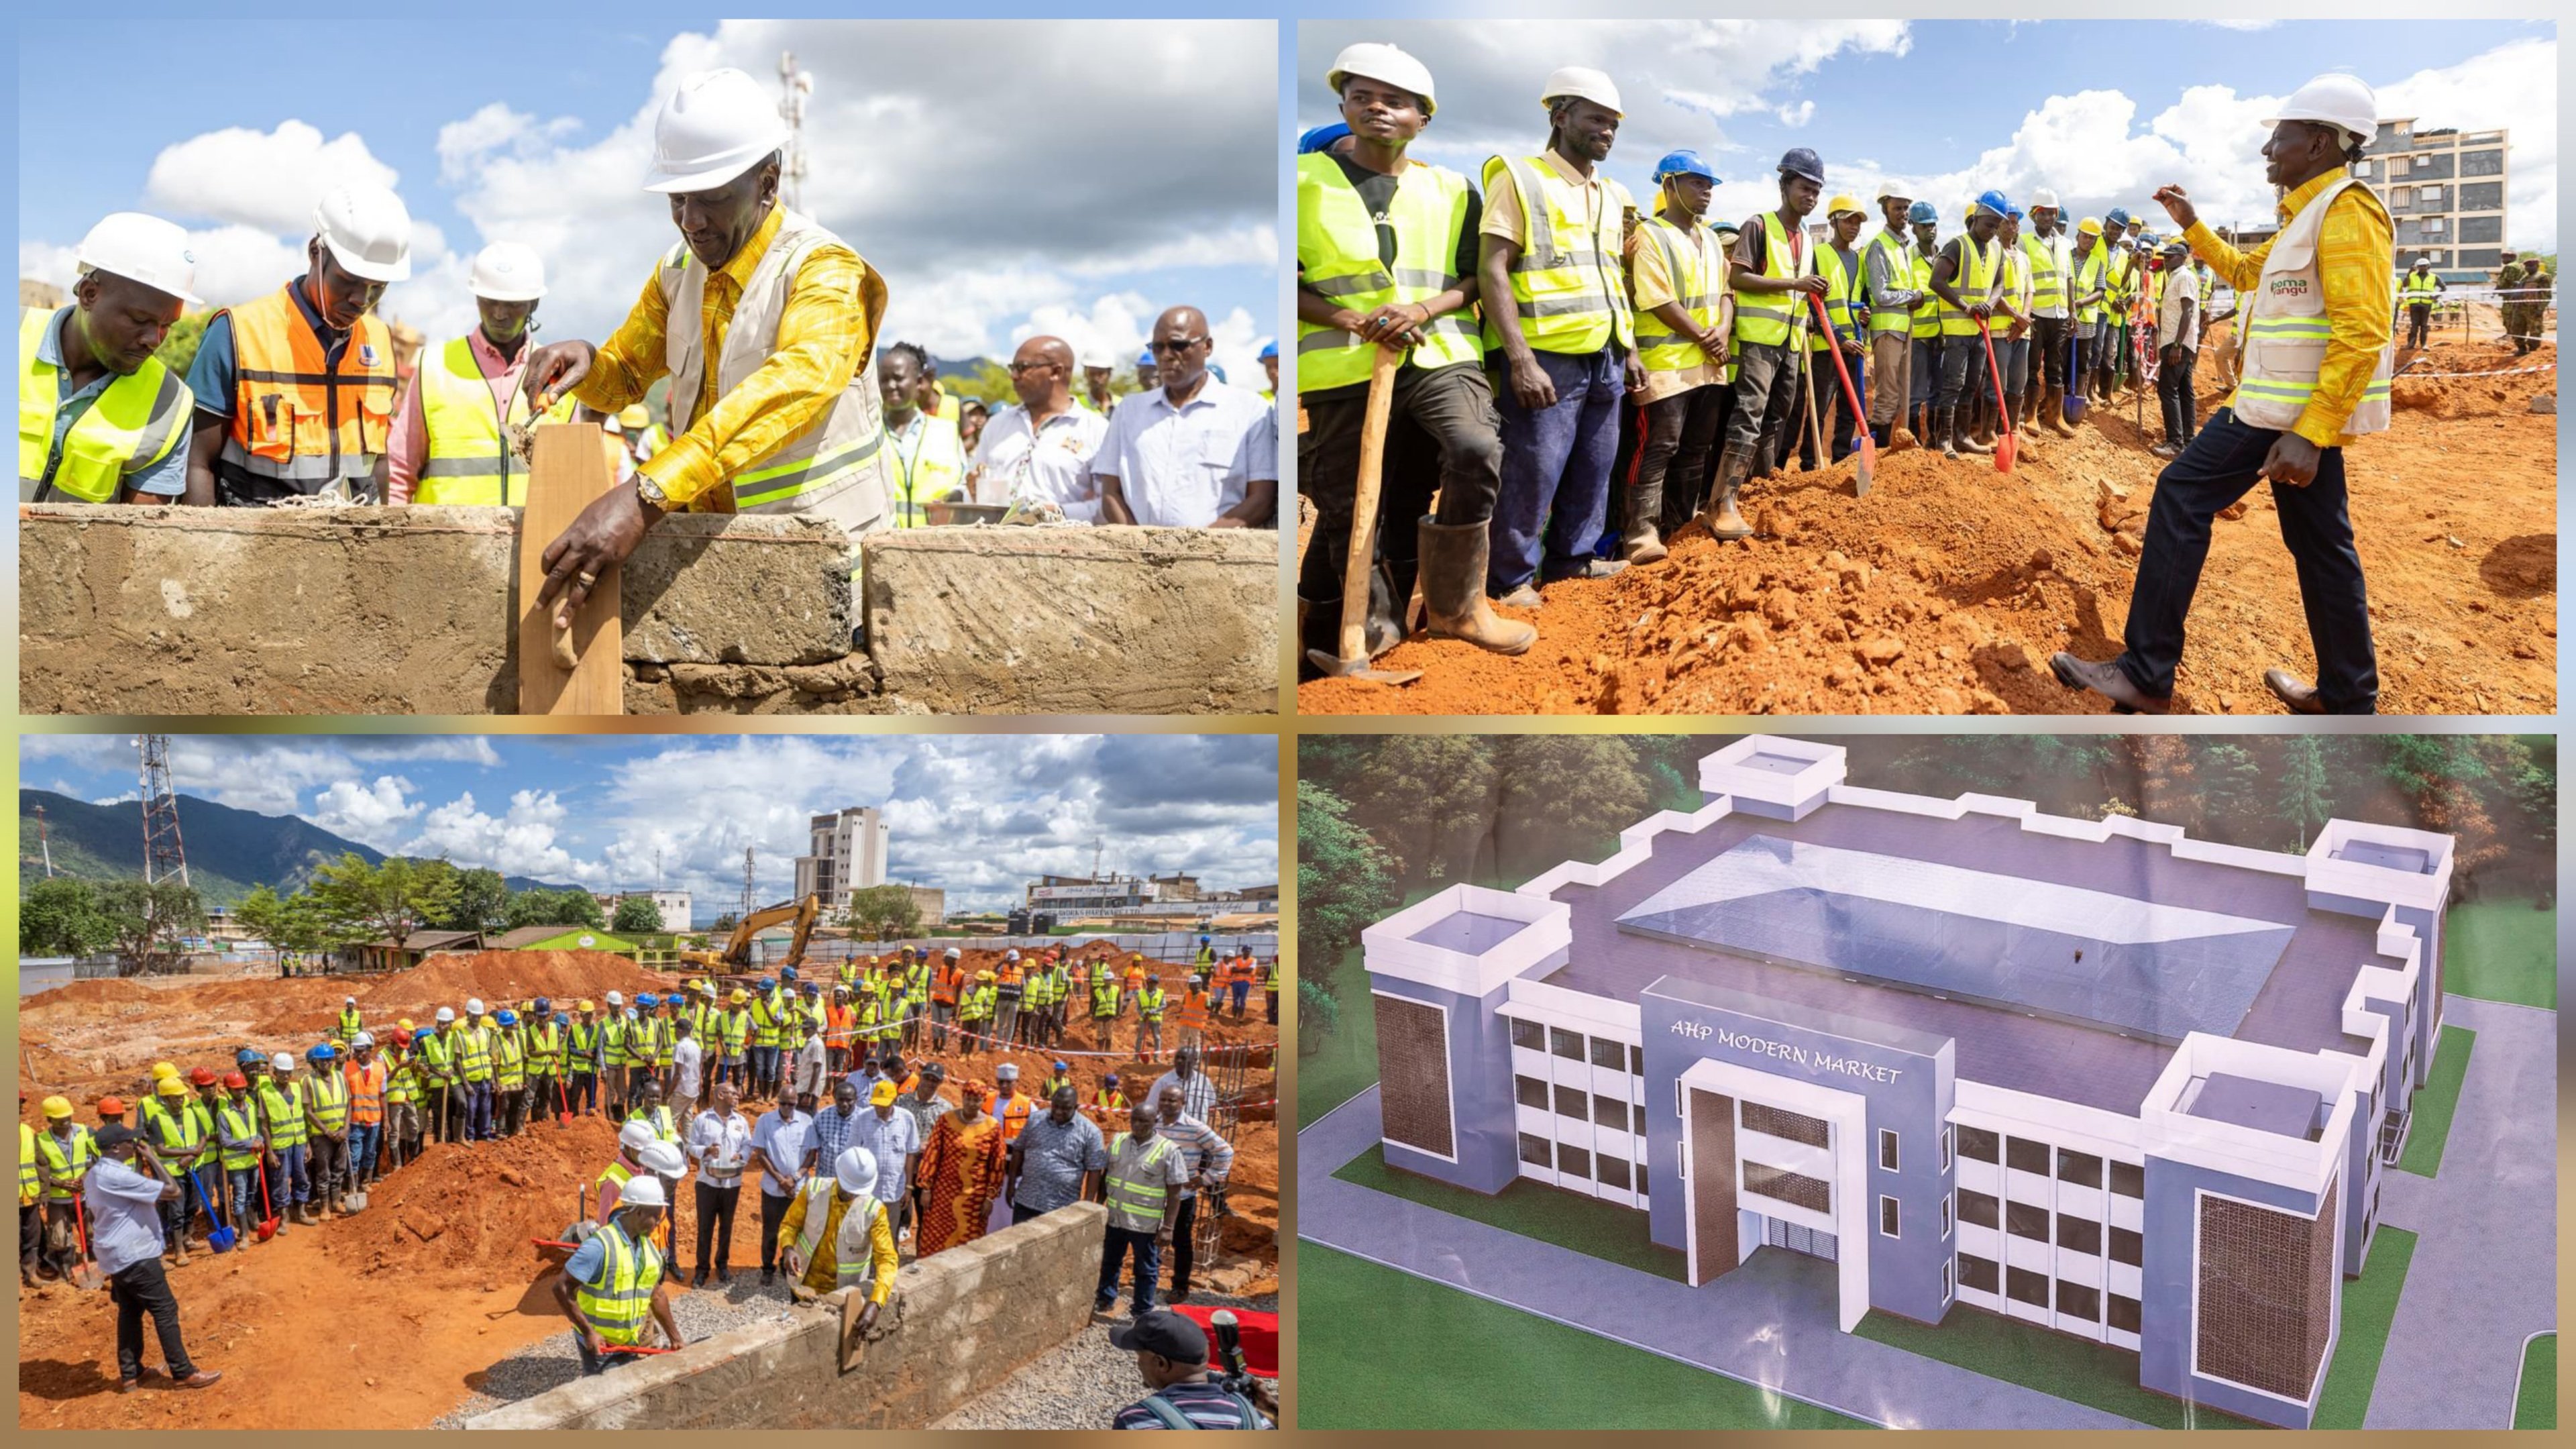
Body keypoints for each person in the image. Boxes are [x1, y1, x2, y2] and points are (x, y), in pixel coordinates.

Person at [2054, 73, 2394, 716]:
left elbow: (2363, 332)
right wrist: (2192, 224)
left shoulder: (2348, 212)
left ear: (2320, 143)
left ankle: (2147, 672)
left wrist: (2312, 432)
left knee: (2181, 495)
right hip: (2287, 413)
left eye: (2281, 138)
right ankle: (2349, 698)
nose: (2270, 152)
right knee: (2324, 547)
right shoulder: (2306, 217)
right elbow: (2242, 271)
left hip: (2287, 416)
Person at [515, 67, 892, 625]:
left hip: (825, 563)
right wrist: (590, 363)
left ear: (767, 182)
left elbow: (789, 387)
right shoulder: (677, 271)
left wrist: (645, 496)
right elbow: (624, 376)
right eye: (676, 199)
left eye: (711, 199)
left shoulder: (824, 271)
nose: (690, 222)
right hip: (719, 562)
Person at [1296, 42, 1531, 663]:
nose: (1378, 108)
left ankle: (1458, 609)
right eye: (1363, 95)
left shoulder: (1453, 190)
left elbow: (1475, 277)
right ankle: (1362, 633)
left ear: (1422, 118)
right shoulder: (1297, 184)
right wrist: (1352, 317)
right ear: (1342, 104)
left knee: (1475, 447)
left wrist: (1422, 310)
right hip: (1341, 363)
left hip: (1438, 354)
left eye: (1396, 101)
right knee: (1350, 504)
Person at [1481, 67, 1635, 604]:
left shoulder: (1611, 193)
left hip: (1606, 354)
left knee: (1594, 468)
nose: (1608, 133)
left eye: (1614, 124)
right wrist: (1519, 358)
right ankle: (1510, 581)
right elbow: (1493, 269)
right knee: (1533, 471)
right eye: (1597, 119)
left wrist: (1629, 347)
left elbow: (1611, 273)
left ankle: (1573, 562)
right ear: (1560, 115)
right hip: (1546, 355)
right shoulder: (1520, 178)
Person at [181, 182, 408, 506]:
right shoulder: (238, 331)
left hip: (355, 548)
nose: (361, 300)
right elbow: (196, 461)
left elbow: (378, 463)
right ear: (316, 252)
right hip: (255, 545)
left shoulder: (381, 342)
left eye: (378, 288)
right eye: (349, 280)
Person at [20, 212, 199, 504]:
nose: (154, 340)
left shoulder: (169, 404)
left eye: (167, 325)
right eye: (140, 319)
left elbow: (142, 537)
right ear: (89, 294)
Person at [1617, 148, 1732, 566]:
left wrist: (1721, 330)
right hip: (1665, 364)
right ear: (1669, 185)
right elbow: (1656, 298)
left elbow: (1725, 292)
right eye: (1697, 183)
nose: (1706, 192)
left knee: (1696, 447)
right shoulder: (1651, 236)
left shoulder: (1712, 240)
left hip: (1708, 364)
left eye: (1709, 185)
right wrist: (1706, 336)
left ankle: (1680, 522)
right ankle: (1641, 530)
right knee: (1658, 445)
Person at [1709, 149, 1828, 534]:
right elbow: (1738, 279)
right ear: (1784, 185)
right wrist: (1796, 284)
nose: (1810, 196)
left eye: (1816, 190)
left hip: (1791, 342)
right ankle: (1722, 501)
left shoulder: (1806, 237)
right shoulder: (1758, 226)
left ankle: (1758, 490)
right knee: (1749, 416)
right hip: (1760, 342)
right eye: (1803, 188)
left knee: (1777, 417)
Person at [388, 241, 546, 504]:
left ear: (534, 304)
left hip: (532, 539)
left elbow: (572, 476)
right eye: (488, 301)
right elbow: (399, 471)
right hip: (444, 539)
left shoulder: (554, 373)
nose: (499, 314)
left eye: (512, 304)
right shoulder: (434, 365)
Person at [1094, 305, 1277, 529]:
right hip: (1138, 558)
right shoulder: (1129, 411)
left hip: (1220, 558)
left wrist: (1195, 548)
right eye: (1158, 348)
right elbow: (1111, 493)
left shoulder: (1249, 409)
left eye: (1178, 345)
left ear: (1207, 346)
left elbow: (1261, 499)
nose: (1167, 356)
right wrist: (1141, 547)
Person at [85, 1127, 223, 1392]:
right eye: (130, 1142)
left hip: (116, 1255)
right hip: (135, 1255)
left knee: (130, 1312)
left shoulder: (97, 1173)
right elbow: (173, 1190)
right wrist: (153, 1158)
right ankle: (183, 1372)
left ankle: (131, 1373)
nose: (135, 1144)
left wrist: (138, 1159)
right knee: (165, 1310)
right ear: (115, 1148)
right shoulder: (117, 1176)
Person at [551, 1172, 686, 1376]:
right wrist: (589, 1333)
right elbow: (561, 1287)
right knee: (604, 1396)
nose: (658, 1224)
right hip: (601, 1347)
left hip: (630, 1342)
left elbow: (656, 1294)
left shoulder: (649, 1250)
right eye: (655, 1218)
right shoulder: (600, 1246)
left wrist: (675, 1337)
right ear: (639, 1212)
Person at [966, 336, 1106, 520]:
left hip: (1063, 545)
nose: (1013, 376)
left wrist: (1057, 512)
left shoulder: (1095, 430)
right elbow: (973, 489)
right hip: (997, 544)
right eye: (1012, 368)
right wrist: (971, 491)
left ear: (1056, 372)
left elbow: (1107, 506)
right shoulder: (997, 425)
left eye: (1022, 368)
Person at [1923, 191, 2010, 460]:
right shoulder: (1956, 246)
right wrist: (1966, 306)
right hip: (1957, 331)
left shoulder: (1996, 249)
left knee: (1973, 384)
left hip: (1979, 330)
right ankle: (1943, 440)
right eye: (1988, 224)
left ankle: (1963, 436)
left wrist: (1991, 304)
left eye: (1997, 226)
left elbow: (1999, 284)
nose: (1992, 231)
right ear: (1975, 218)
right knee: (1953, 384)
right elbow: (1936, 282)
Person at [776, 1146, 898, 1318]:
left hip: (844, 1296)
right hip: (804, 1287)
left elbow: (887, 1259)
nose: (850, 1194)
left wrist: (876, 1302)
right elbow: (790, 1224)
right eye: (848, 1188)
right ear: (839, 1175)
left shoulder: (874, 1211)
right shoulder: (814, 1189)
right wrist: (788, 1248)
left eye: (855, 1191)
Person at [1108, 1309, 1273, 1430]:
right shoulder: (1254, 1420)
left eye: (1140, 1356)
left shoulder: (1136, 1421)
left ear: (1161, 1363)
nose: (1138, 1364)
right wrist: (1272, 1413)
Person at [1096, 1102, 1187, 1318]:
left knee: (1146, 1269)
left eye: (1144, 1121)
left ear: (1155, 1121)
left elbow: (1175, 1193)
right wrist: (1098, 1207)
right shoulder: (1118, 1141)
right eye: (1134, 1120)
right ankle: (1105, 1298)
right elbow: (1105, 1177)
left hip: (1144, 1224)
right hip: (1115, 1219)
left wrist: (1168, 1228)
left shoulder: (1168, 1150)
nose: (1137, 1125)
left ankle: (1142, 1310)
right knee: (1110, 1261)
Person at [1152, 1084, 1233, 1307]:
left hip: (1183, 1197)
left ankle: (1180, 1287)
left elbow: (1225, 1151)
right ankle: (1148, 1279)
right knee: (1151, 1238)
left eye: (1172, 1101)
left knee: (1181, 1242)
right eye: (1164, 1099)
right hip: (1153, 1195)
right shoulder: (1153, 1123)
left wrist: (1206, 1179)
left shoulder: (1196, 1128)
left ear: (1183, 1104)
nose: (1167, 1104)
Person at [914, 1078, 1006, 1255]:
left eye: (977, 1100)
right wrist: (926, 1188)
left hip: (974, 1198)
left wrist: (990, 1197)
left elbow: (997, 1164)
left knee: (968, 1242)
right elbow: (933, 1153)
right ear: (962, 1098)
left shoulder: (992, 1127)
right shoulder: (946, 1121)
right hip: (943, 1194)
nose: (972, 1104)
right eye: (968, 1099)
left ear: (983, 1101)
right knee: (935, 1237)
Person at [879, 341, 966, 525]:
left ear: (919, 382)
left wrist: (954, 496)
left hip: (935, 546)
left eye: (898, 378)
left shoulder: (946, 432)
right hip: (881, 544)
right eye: (884, 380)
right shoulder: (870, 434)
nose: (891, 386)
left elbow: (964, 484)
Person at [1858, 187, 1919, 450]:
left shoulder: (1902, 246)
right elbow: (1881, 294)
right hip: (1886, 330)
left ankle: (1886, 448)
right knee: (1887, 395)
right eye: (1897, 208)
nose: (1903, 213)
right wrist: (1912, 295)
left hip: (1902, 328)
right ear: (1885, 209)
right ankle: (1878, 451)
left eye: (1906, 208)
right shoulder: (1879, 246)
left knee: (1900, 395)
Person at [1005, 1086, 1107, 1225]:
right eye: (1056, 1106)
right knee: (1019, 1244)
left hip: (1061, 1207)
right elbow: (1018, 1150)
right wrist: (1011, 1185)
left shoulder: (1091, 1133)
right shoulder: (1035, 1120)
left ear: (1076, 1107)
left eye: (1065, 1108)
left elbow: (1095, 1170)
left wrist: (1087, 1205)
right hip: (1026, 1200)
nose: (1059, 1112)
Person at [686, 1081, 754, 1286]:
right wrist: (707, 1150)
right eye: (733, 1094)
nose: (738, 1096)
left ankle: (722, 1265)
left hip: (732, 1183)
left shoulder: (741, 1121)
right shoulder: (702, 1120)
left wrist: (740, 1155)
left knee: (727, 1226)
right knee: (705, 1227)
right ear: (720, 1095)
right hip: (707, 1182)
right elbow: (691, 1147)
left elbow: (748, 1146)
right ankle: (702, 1269)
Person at [747, 1087, 815, 1284]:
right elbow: (760, 1153)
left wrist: (795, 1178)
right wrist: (780, 1180)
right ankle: (767, 1268)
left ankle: (790, 1266)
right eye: (783, 1103)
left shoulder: (806, 1122)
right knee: (771, 1230)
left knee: (799, 1230)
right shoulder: (765, 1121)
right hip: (773, 1188)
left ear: (797, 1102)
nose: (787, 1108)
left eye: (791, 1104)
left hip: (799, 1188)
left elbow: (811, 1154)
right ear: (778, 1101)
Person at [2153, 239, 2203, 458]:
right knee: (2184, 391)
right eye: (2165, 256)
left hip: (2177, 343)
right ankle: (2187, 441)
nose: (2166, 260)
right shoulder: (2177, 277)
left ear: (2182, 258)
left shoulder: (2183, 277)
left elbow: (2188, 312)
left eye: (2171, 256)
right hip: (2180, 342)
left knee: (2167, 389)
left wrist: (2176, 345)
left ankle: (2175, 443)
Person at [851, 1079, 921, 1234]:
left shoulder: (906, 1119)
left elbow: (910, 1154)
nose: (881, 1109)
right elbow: (852, 1153)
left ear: (894, 1100)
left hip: (894, 1190)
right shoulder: (862, 1119)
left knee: (889, 1236)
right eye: (878, 1104)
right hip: (867, 1191)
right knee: (865, 1236)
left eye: (885, 1105)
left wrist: (908, 1187)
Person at [894, 1064, 951, 1242]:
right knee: (894, 1217)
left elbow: (948, 1140)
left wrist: (931, 1145)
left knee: (927, 1219)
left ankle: (921, 1259)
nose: (930, 1083)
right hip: (900, 1170)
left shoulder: (945, 1109)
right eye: (927, 1078)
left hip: (927, 1174)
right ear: (920, 1076)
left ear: (940, 1083)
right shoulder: (902, 1102)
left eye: (935, 1080)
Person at [302, 1042, 352, 1219]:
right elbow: (308, 1111)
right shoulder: (309, 1081)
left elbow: (348, 1104)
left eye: (329, 1060)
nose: (327, 1064)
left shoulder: (340, 1077)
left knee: (339, 1168)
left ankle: (336, 1201)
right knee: (324, 1172)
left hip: (340, 1132)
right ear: (315, 1062)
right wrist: (326, 1131)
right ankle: (324, 1207)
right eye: (322, 1061)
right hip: (322, 1136)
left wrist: (346, 1128)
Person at [990, 1061, 1037, 1148]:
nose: (1004, 1086)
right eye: (1001, 1082)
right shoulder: (986, 1100)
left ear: (1017, 1082)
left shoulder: (1027, 1105)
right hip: (990, 1151)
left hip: (1014, 1154)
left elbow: (1037, 1130)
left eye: (1009, 1082)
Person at [2399, 254, 2440, 351]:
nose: (2422, 268)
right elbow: (2405, 285)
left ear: (2428, 267)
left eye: (2425, 266)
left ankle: (2424, 345)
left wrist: (2436, 296)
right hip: (2414, 304)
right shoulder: (2412, 275)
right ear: (2417, 267)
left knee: (2424, 325)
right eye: (2421, 266)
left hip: (2426, 304)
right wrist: (2409, 272)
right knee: (2414, 325)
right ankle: (2411, 344)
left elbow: (2444, 287)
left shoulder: (2434, 277)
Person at [669, 1016, 704, 1126]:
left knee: (672, 1120)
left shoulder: (680, 1047)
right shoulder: (696, 1046)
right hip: (693, 1090)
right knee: (687, 1121)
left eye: (675, 1031)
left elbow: (678, 1074)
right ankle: (687, 1143)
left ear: (680, 1031)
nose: (675, 1033)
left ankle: (672, 1143)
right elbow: (699, 1068)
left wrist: (669, 1093)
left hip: (682, 1089)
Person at [1081, 348, 1119, 416]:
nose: (1096, 378)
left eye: (1101, 373)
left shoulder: (1122, 404)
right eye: (1092, 373)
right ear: (1085, 375)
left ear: (1109, 374)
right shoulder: (1077, 406)